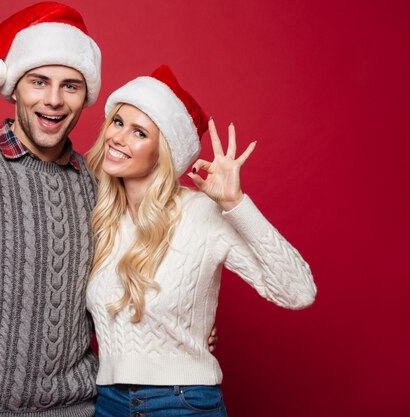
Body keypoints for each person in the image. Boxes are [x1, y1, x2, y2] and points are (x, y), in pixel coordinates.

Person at [0, 2, 218, 416]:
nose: (53, 100)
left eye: (70, 85)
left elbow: (145, 279)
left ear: (86, 96)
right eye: (38, 81)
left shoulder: (100, 187)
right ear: (13, 87)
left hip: (79, 409)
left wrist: (186, 335)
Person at [85, 65, 317, 416]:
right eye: (118, 123)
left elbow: (298, 292)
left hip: (181, 403)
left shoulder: (200, 213)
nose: (119, 138)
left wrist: (236, 204)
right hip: (107, 402)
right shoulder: (100, 214)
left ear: (163, 151)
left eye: (139, 132)